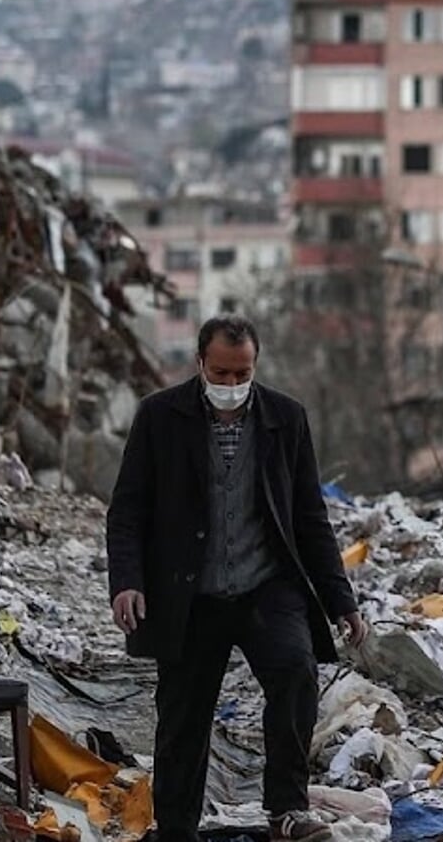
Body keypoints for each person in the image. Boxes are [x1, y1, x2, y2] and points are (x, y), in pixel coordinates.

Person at [105, 313, 369, 842]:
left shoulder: (285, 419)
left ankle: (287, 811)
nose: (230, 386)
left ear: (255, 366)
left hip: (265, 588)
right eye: (220, 374)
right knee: (182, 714)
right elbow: (128, 509)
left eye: (240, 374)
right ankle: (177, 826)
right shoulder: (161, 417)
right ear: (201, 364)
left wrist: (342, 601)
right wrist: (127, 582)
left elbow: (309, 517)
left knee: (295, 674)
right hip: (190, 594)